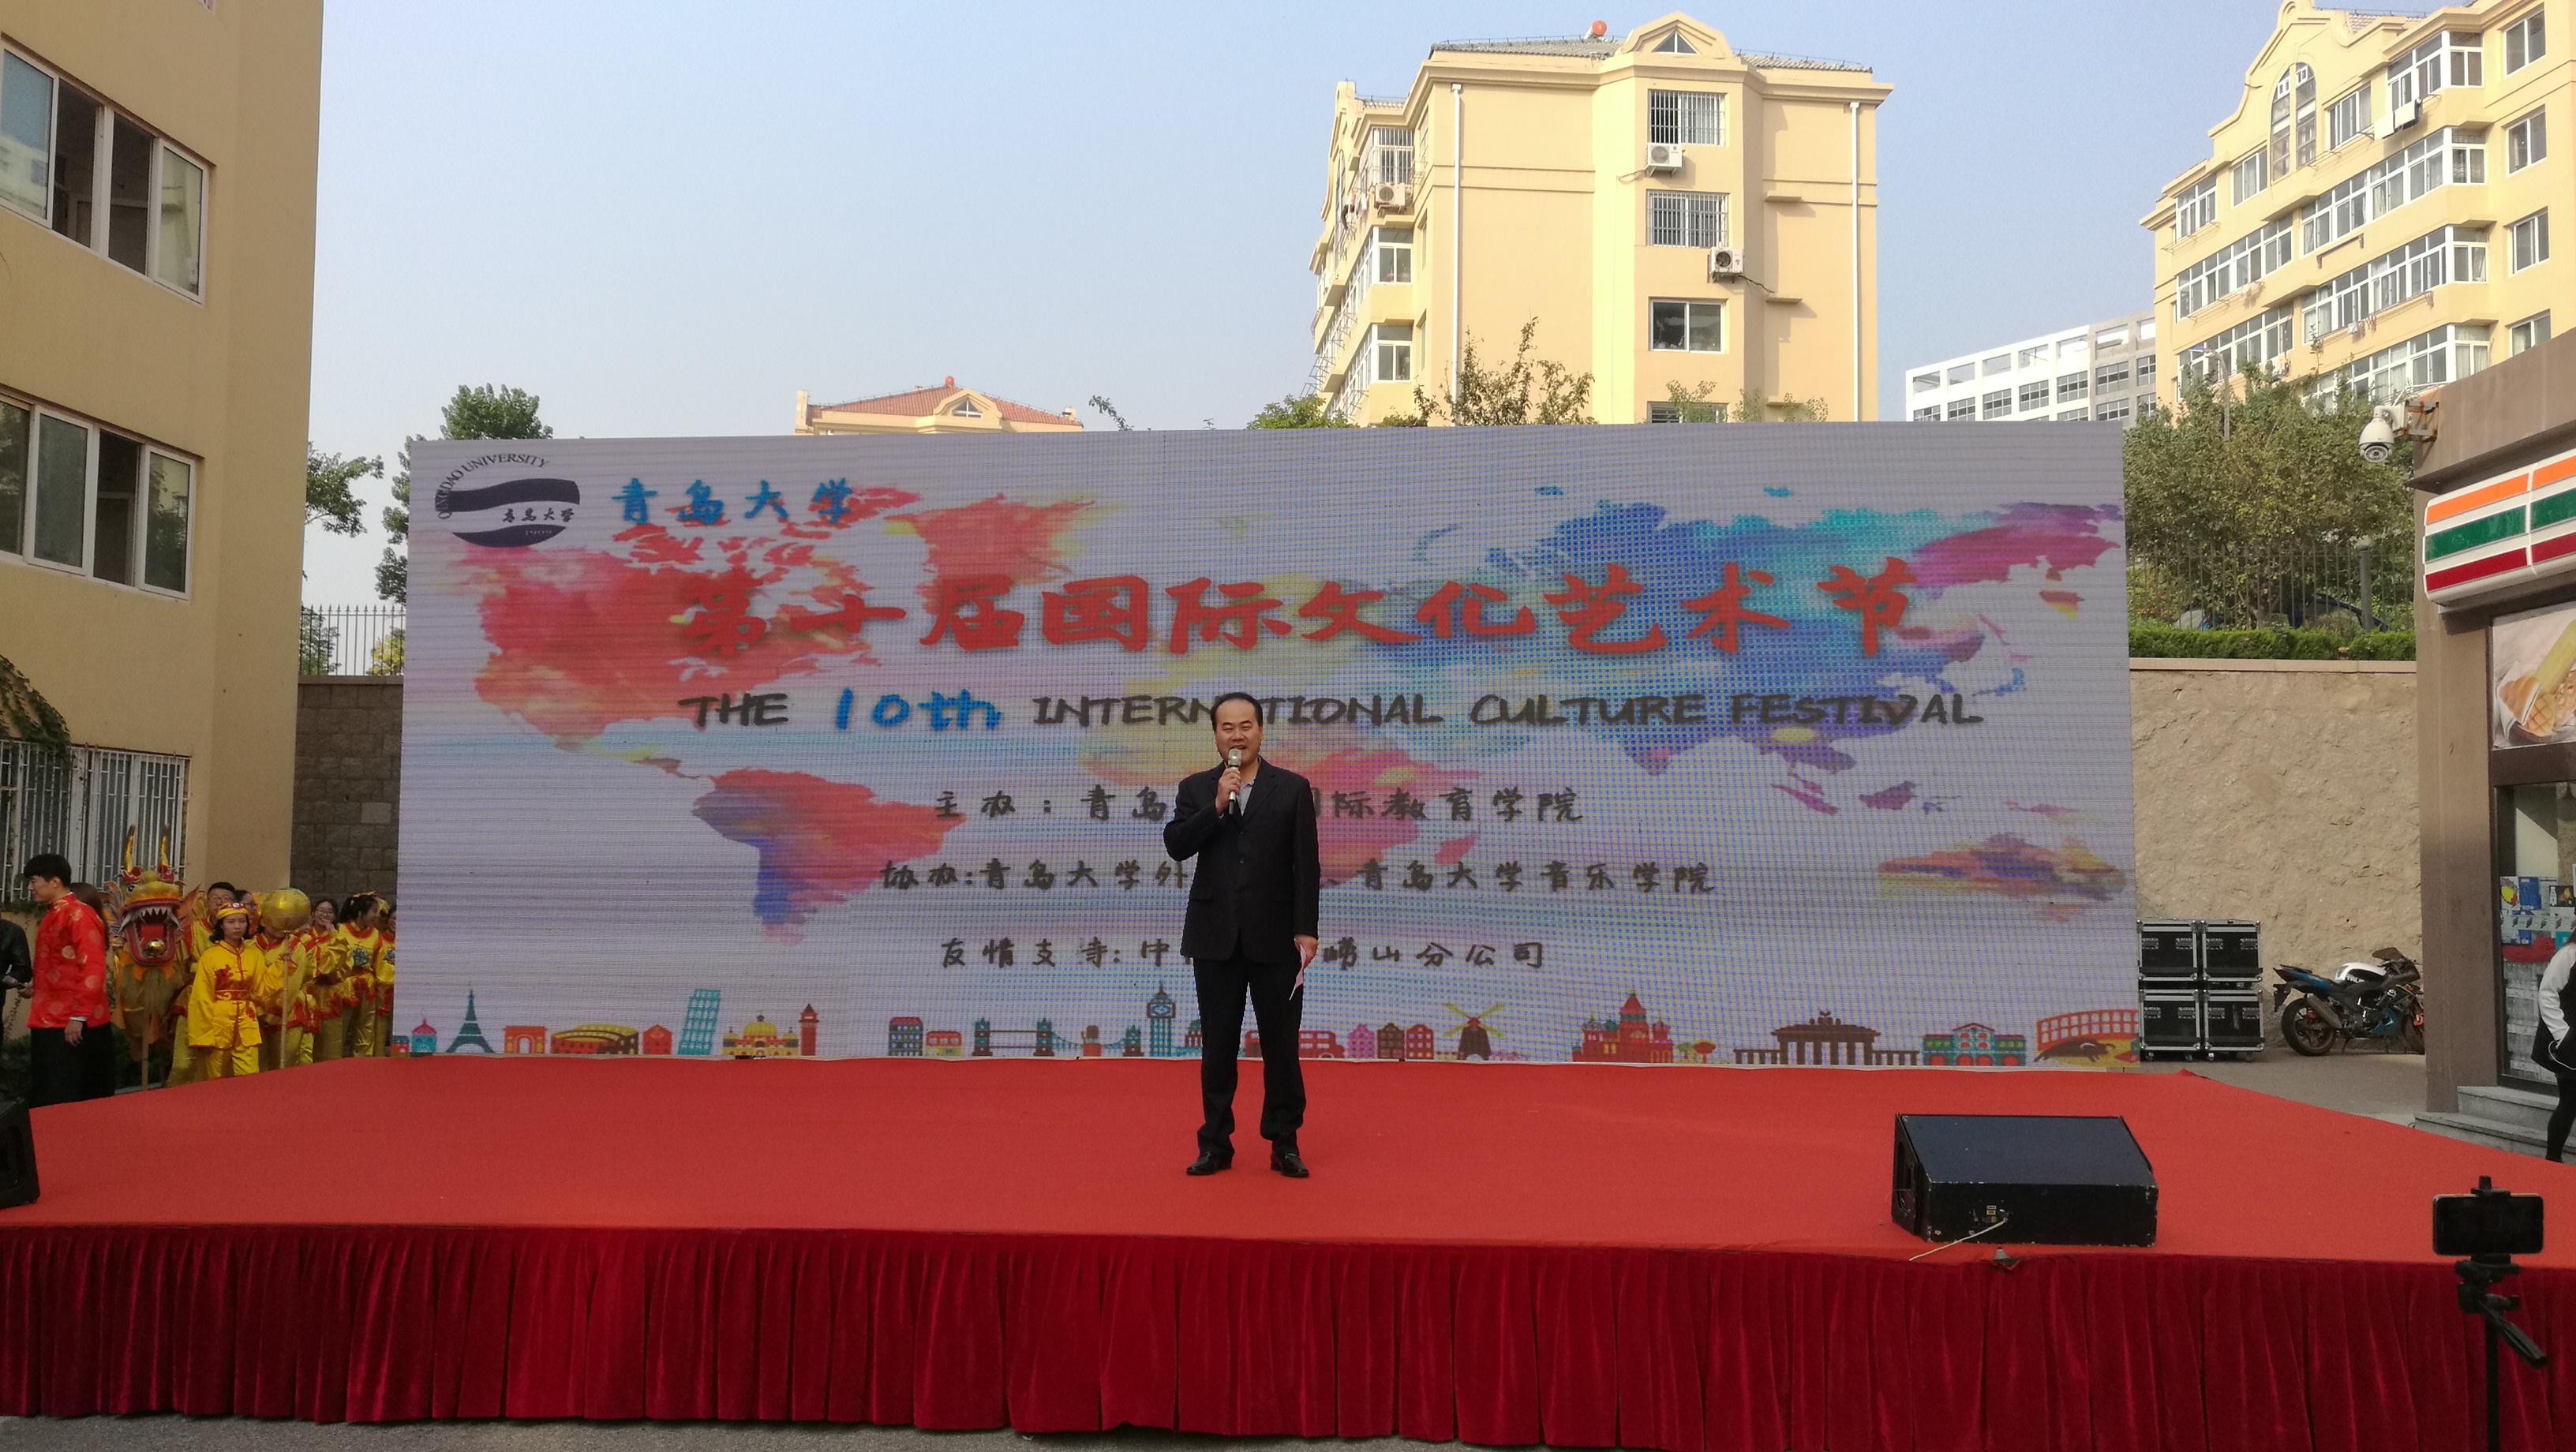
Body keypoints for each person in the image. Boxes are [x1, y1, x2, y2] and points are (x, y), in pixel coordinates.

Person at [1160, 692, 1321, 1178]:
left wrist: (1306, 930)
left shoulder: (1292, 788)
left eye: (1246, 726)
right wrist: (1216, 805)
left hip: (1276, 937)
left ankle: (1284, 1142)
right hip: (1215, 937)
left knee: (1281, 1047)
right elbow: (1177, 846)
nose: (1237, 735)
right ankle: (1215, 1143)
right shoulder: (1196, 788)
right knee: (1218, 1047)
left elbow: (1305, 865)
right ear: (1215, 735)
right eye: (1227, 727)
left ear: (1261, 731)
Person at [21, 853, 114, 1106]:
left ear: (55, 881)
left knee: (69, 1095)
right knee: (48, 1093)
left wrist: (78, 1016)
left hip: (71, 1022)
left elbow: (92, 967)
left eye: (33, 881)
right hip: (50, 1019)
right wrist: (36, 986)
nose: (30, 888)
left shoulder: (78, 914)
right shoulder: (54, 914)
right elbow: (60, 966)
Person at [185, 903, 268, 1080]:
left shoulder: (255, 955)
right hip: (218, 1025)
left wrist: (283, 967)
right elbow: (201, 997)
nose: (237, 926)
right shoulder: (210, 956)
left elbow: (263, 989)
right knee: (216, 1078)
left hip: (247, 1023)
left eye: (241, 921)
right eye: (231, 922)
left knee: (250, 1077)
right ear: (221, 925)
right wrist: (203, 1035)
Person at [2538, 935, 2576, 1161]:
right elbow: (2547, 994)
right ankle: (2552, 1159)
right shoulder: (2568, 955)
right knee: (2570, 1101)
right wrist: (2562, 1036)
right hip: (2570, 1040)